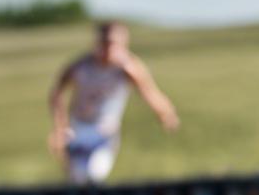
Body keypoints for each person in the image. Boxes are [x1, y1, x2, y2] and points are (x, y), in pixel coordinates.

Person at [48, 21, 179, 185]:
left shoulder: (128, 68)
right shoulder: (81, 66)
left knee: (95, 173)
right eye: (105, 43)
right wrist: (60, 127)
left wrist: (166, 113)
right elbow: (57, 92)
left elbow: (150, 92)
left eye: (115, 44)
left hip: (105, 131)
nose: (109, 49)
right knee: (76, 178)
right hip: (78, 127)